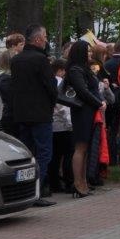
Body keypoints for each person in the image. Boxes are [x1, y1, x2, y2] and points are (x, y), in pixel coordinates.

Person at [11, 24, 57, 206]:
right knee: (44, 153)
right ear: (38, 39)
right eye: (45, 36)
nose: (46, 40)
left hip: (22, 113)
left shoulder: (16, 60)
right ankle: (36, 190)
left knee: (27, 153)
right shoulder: (41, 60)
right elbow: (51, 86)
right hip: (40, 113)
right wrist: (51, 104)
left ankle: (23, 190)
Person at [64, 40, 106, 197]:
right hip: (82, 112)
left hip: (90, 111)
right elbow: (82, 91)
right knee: (80, 147)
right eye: (88, 51)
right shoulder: (75, 70)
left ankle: (83, 181)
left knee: (86, 148)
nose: (90, 53)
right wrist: (99, 103)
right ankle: (77, 183)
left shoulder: (85, 68)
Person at [49, 59, 73, 195]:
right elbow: (64, 107)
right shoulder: (61, 84)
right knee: (68, 154)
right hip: (63, 125)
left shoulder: (50, 82)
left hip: (53, 124)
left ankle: (54, 183)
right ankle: (69, 182)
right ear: (61, 70)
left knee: (55, 156)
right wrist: (70, 124)